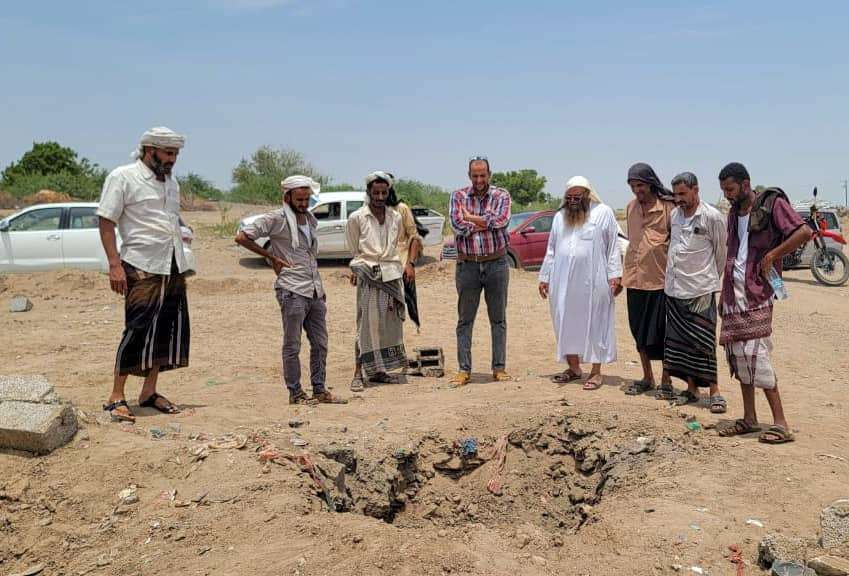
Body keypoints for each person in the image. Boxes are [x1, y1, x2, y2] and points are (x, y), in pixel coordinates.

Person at [96, 127, 191, 422]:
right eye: (168, 153)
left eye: (175, 154)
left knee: (167, 328)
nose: (173, 159)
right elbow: (106, 220)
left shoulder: (171, 183)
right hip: (140, 263)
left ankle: (149, 392)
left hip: (172, 263)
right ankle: (116, 396)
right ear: (150, 151)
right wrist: (114, 264)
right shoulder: (123, 177)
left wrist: (184, 231)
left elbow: (170, 217)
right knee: (137, 328)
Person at [716, 163, 811, 444]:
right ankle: (749, 418)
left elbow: (804, 233)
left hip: (758, 293)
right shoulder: (734, 213)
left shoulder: (772, 203)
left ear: (746, 184)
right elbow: (732, 254)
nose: (728, 196)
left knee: (757, 355)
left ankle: (781, 423)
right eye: (724, 191)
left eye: (731, 190)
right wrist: (724, 294)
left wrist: (773, 255)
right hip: (734, 294)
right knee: (738, 355)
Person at [235, 175, 346, 405]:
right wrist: (271, 257)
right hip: (292, 289)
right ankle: (295, 393)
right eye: (300, 199)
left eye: (307, 199)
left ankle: (319, 389)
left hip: (314, 290)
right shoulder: (276, 219)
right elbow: (242, 237)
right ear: (287, 197)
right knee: (292, 345)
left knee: (320, 343)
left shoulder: (311, 219)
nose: (304, 204)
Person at [538, 176, 623, 390]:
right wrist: (545, 276)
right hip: (563, 281)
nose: (574, 201)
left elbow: (613, 246)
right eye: (570, 197)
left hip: (594, 280)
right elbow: (552, 249)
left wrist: (615, 275)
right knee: (564, 320)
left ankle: (596, 372)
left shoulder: (603, 212)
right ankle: (574, 368)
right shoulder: (559, 217)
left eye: (578, 196)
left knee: (596, 322)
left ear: (587, 195)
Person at [663, 172, 728, 411]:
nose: (678, 199)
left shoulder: (712, 216)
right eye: (675, 194)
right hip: (674, 289)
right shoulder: (674, 215)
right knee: (682, 344)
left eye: (682, 194)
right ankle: (691, 390)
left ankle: (715, 392)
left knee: (704, 344)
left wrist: (710, 280)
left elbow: (721, 254)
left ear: (695, 190)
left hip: (700, 290)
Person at [448, 157, 512, 386]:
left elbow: (501, 221)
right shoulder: (458, 196)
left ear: (489, 174)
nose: (479, 180)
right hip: (468, 265)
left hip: (497, 264)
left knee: (498, 319)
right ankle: (464, 370)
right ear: (469, 175)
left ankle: (499, 368)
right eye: (475, 175)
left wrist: (471, 218)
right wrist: (484, 221)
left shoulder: (502, 195)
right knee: (465, 320)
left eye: (483, 175)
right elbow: (457, 225)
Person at [347, 171, 410, 392]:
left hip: (391, 275)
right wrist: (358, 269)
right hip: (369, 275)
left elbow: (396, 244)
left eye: (384, 192)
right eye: (376, 192)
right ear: (369, 193)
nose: (380, 196)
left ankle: (379, 371)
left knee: (387, 325)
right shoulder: (357, 217)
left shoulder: (396, 217)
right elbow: (354, 249)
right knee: (365, 325)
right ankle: (358, 373)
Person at [622, 162, 675, 397]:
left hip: (660, 281)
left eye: (640, 185)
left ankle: (666, 380)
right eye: (633, 186)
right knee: (638, 332)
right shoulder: (631, 207)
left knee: (661, 334)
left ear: (651, 183)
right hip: (634, 280)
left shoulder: (669, 208)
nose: (637, 190)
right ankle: (647, 377)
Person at [385, 179, 423, 328]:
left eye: (384, 191)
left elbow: (414, 237)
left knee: (402, 305)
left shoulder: (401, 209)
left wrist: (410, 264)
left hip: (401, 263)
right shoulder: (370, 210)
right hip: (379, 267)